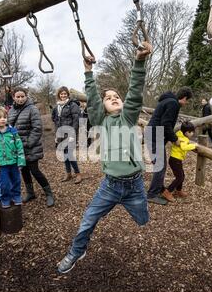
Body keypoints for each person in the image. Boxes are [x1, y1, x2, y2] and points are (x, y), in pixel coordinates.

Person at [57, 41, 153, 274]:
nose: (113, 98)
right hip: (109, 186)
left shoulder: (128, 117)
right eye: (108, 97)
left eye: (116, 96)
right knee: (88, 220)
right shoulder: (100, 120)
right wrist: (89, 73)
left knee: (143, 221)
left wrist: (139, 61)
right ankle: (77, 251)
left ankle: (132, 207)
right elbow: (92, 97)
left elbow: (134, 92)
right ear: (102, 105)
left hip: (135, 186)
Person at [145, 87, 193, 205]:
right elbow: (166, 123)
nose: (186, 103)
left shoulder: (167, 101)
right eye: (187, 100)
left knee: (160, 165)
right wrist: (175, 139)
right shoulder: (173, 103)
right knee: (160, 167)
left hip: (154, 134)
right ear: (184, 98)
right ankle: (152, 194)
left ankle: (161, 189)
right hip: (156, 135)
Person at [8, 87, 55, 207]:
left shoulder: (32, 109)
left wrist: (28, 143)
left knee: (35, 170)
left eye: (22, 96)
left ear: (26, 96)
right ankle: (30, 192)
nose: (20, 99)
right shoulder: (11, 110)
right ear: (13, 97)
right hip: (17, 148)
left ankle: (49, 193)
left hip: (31, 146)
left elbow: (37, 128)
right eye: (17, 97)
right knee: (24, 170)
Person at [0, 106, 26, 208]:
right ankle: (5, 198)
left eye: (4, 117)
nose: (3, 119)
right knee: (4, 184)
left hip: (14, 163)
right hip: (2, 164)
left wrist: (21, 162)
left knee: (16, 181)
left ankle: (16, 196)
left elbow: (19, 147)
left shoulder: (12, 131)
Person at [51, 86, 82, 184]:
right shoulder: (57, 107)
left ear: (68, 95)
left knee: (70, 154)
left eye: (65, 94)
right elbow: (55, 120)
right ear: (59, 95)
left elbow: (76, 120)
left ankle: (78, 174)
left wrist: (73, 134)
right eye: (61, 94)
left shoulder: (72, 105)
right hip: (61, 133)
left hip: (70, 133)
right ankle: (68, 173)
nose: (63, 95)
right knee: (64, 154)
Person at [162, 122, 197, 202]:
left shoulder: (179, 134)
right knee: (179, 177)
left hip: (175, 159)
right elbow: (184, 147)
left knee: (182, 175)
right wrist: (194, 145)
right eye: (191, 132)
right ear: (186, 132)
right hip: (175, 159)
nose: (192, 134)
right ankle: (167, 192)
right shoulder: (184, 139)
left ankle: (178, 190)